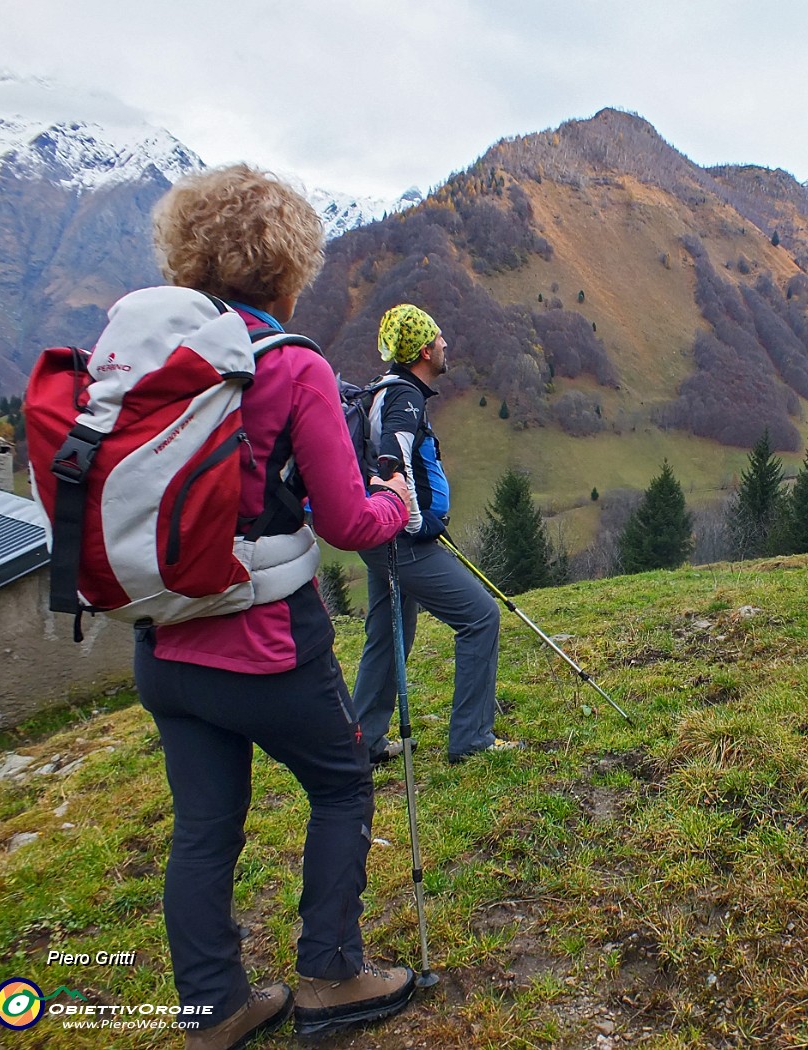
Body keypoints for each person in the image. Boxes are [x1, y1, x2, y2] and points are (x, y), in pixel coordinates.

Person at [138, 165, 420, 1049]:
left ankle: (212, 1011)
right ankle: (333, 975)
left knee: (203, 830)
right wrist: (393, 505)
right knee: (341, 784)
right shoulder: (290, 366)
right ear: (288, 264)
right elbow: (345, 521)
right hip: (264, 640)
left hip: (164, 644)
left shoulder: (153, 365)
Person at [351, 304, 520, 766]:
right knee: (480, 616)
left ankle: (363, 743)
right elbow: (393, 459)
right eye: (440, 338)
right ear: (425, 350)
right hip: (400, 540)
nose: (446, 345)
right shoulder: (406, 398)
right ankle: (471, 739)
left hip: (375, 537)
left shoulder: (385, 391)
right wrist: (416, 523)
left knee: (388, 633)